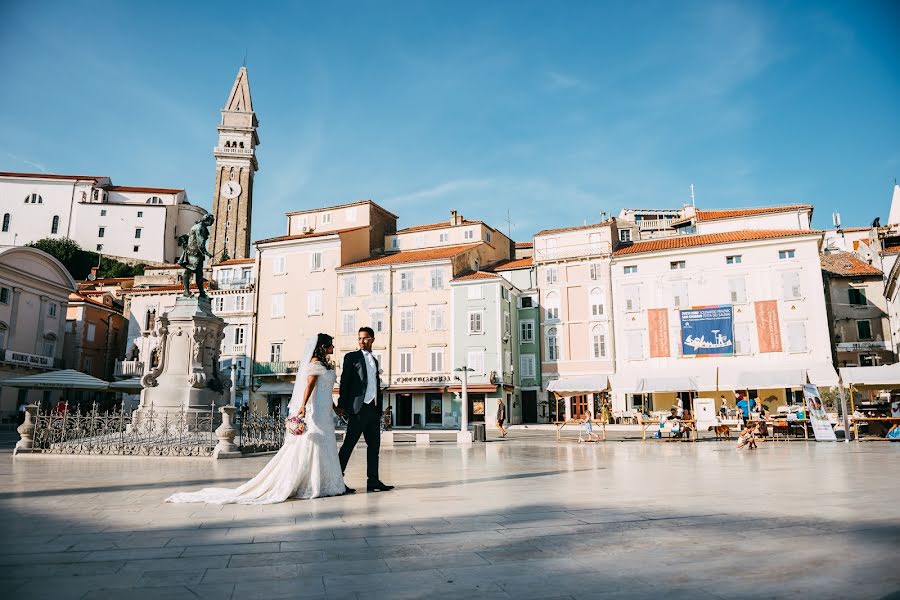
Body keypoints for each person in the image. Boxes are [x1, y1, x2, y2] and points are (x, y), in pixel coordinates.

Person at [166, 334, 349, 504]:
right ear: (324, 347)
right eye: (331, 344)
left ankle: (326, 482)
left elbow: (324, 392)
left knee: (325, 444)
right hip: (314, 411)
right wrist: (302, 406)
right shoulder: (315, 362)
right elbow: (309, 387)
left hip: (325, 411)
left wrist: (334, 407)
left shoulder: (325, 365)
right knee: (312, 445)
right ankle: (311, 483)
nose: (333, 347)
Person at [338, 327, 393, 493]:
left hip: (373, 409)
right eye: (359, 338)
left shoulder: (374, 361)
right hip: (358, 409)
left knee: (374, 447)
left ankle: (373, 481)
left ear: (372, 339)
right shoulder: (351, 357)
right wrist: (342, 405)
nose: (361, 341)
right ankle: (337, 479)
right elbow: (344, 382)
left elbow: (375, 385)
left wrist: (380, 407)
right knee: (349, 445)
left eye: (365, 338)